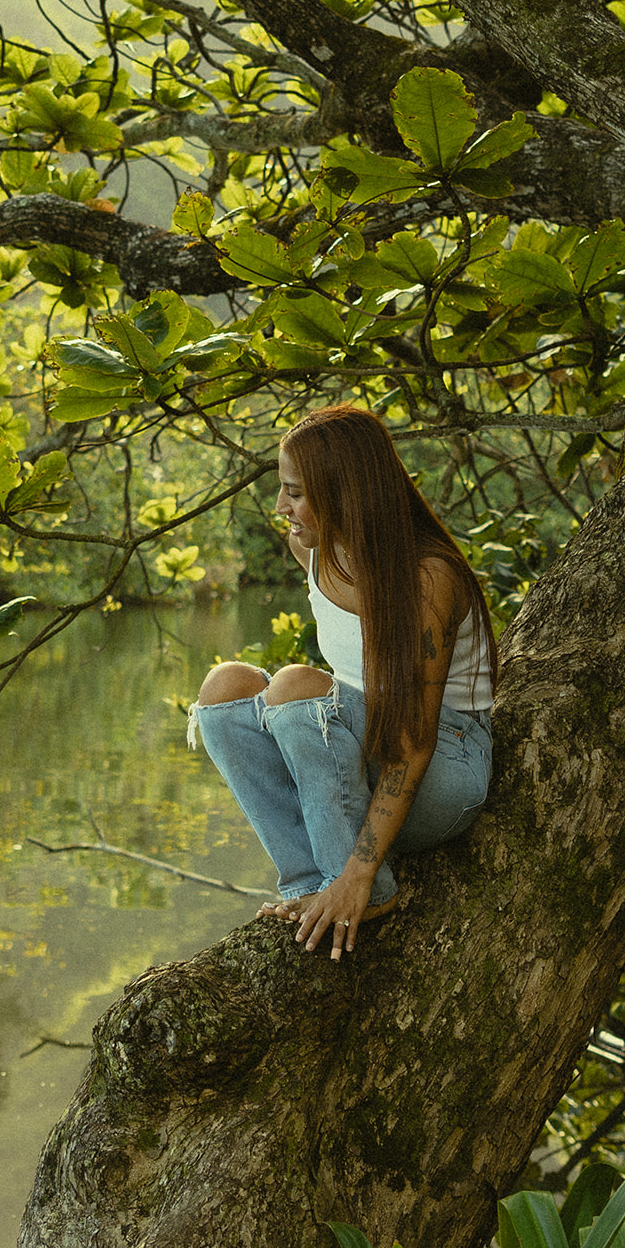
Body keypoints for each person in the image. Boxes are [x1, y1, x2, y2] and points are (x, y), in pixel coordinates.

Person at [190, 405, 496, 961]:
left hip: (444, 766)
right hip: (372, 741)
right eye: (283, 489)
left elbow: (414, 742)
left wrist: (360, 871)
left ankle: (362, 892)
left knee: (293, 687)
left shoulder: (427, 579)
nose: (281, 506)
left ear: (347, 493)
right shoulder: (310, 549)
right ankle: (309, 886)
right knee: (224, 691)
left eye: (297, 493)